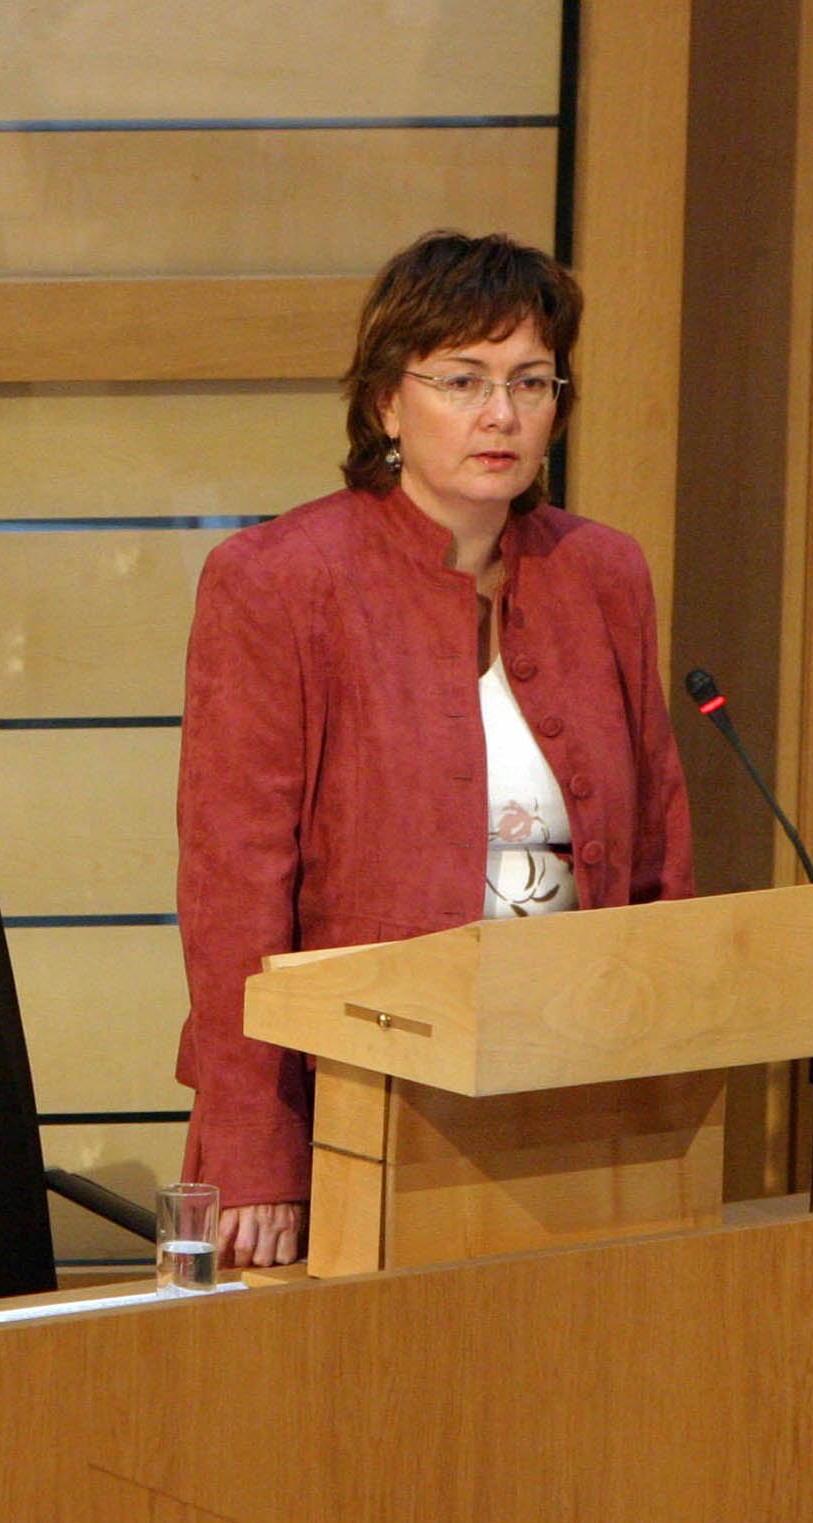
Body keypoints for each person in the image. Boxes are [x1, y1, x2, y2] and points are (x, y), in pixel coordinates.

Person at [174, 231, 695, 1268]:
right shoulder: (277, 581)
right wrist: (258, 1148)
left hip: (574, 1090)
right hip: (362, 1103)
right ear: (385, 404)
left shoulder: (603, 574)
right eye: (463, 380)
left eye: (530, 381)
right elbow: (233, 886)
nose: (501, 415)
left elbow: (656, 859)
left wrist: (663, 1080)